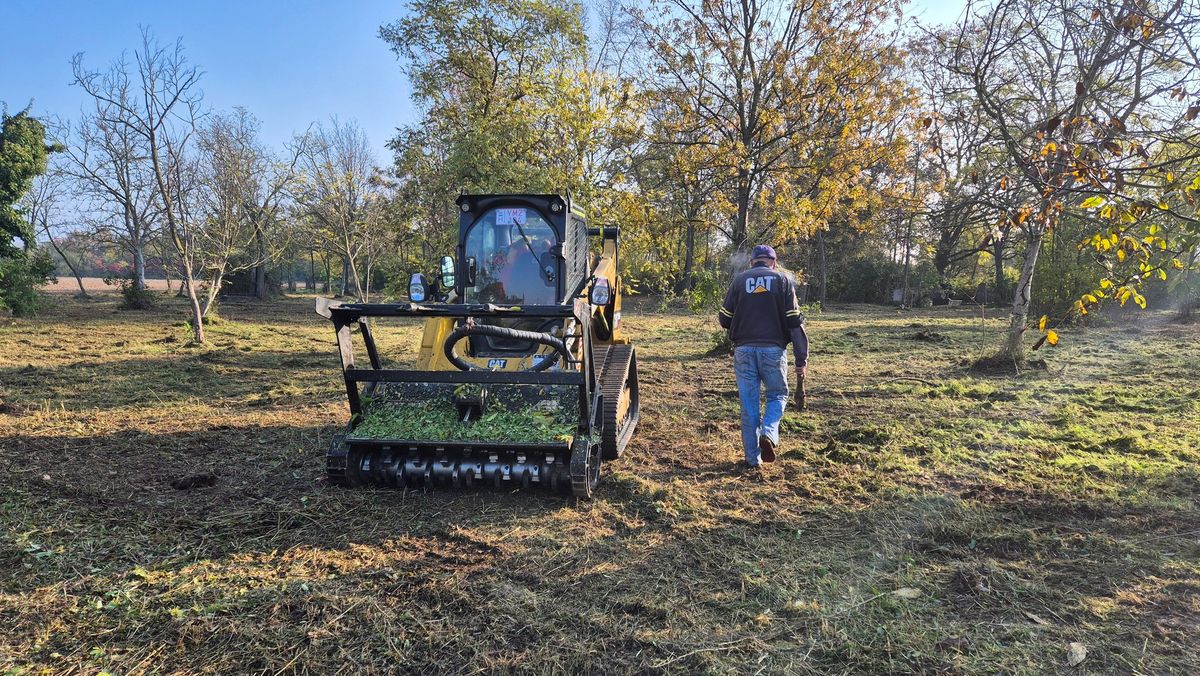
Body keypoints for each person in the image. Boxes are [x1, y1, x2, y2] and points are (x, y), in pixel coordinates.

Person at [717, 244, 810, 469]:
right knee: (777, 394)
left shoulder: (739, 281)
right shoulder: (783, 281)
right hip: (773, 350)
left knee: (748, 405)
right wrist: (801, 360)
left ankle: (752, 460)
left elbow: (724, 319)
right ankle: (769, 432)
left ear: (752, 262)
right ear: (773, 262)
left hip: (743, 351)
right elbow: (794, 324)